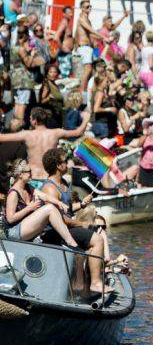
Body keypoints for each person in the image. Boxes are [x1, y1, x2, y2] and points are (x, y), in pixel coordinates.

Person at [39, 148, 113, 294]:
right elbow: (59, 219)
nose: (68, 164)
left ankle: (80, 283)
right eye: (65, 161)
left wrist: (82, 204)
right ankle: (96, 283)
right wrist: (82, 224)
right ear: (58, 166)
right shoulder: (50, 189)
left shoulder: (64, 184)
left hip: (67, 228)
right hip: (55, 232)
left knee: (95, 239)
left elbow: (68, 209)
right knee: (97, 240)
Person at [3, 159, 80, 247]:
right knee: (49, 208)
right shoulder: (13, 193)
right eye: (29, 171)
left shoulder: (28, 187)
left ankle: (67, 241)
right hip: (14, 232)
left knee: (51, 207)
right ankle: (71, 243)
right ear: (20, 174)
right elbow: (10, 218)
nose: (31, 173)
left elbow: (45, 196)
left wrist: (59, 203)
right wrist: (29, 208)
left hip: (24, 228)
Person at [0, 107, 91, 180]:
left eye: (30, 118)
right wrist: (86, 119)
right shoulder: (56, 133)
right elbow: (78, 132)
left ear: (34, 120)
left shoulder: (27, 135)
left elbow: (2, 138)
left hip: (33, 177)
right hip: (50, 177)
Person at [74, 0, 110, 92]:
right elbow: (91, 30)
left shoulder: (87, 20)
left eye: (90, 6)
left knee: (95, 69)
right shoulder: (81, 18)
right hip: (84, 47)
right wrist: (104, 37)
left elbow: (91, 34)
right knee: (88, 69)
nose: (89, 8)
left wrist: (102, 39)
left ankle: (87, 89)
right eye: (87, 7)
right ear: (81, 8)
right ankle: (81, 91)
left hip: (89, 47)